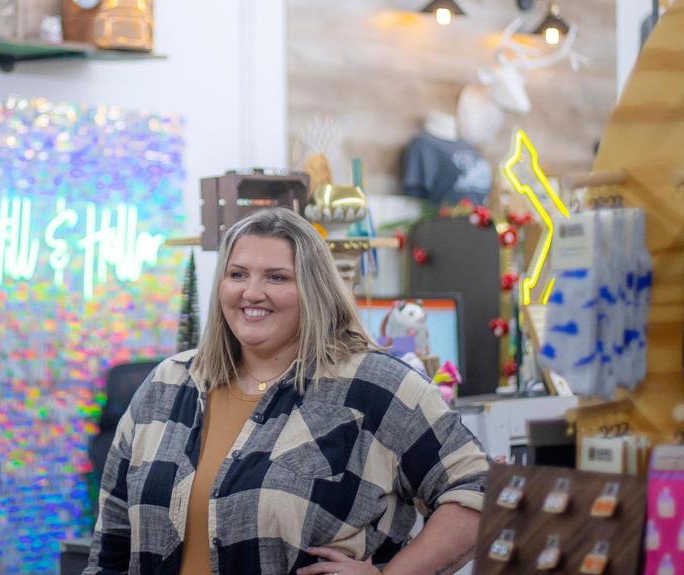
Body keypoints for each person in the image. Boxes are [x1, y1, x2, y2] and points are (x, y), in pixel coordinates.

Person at [84, 207, 487, 575]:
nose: (251, 292)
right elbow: (113, 543)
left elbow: (479, 490)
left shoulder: (373, 387)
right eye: (237, 274)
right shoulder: (168, 384)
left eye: (276, 277)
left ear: (314, 290)